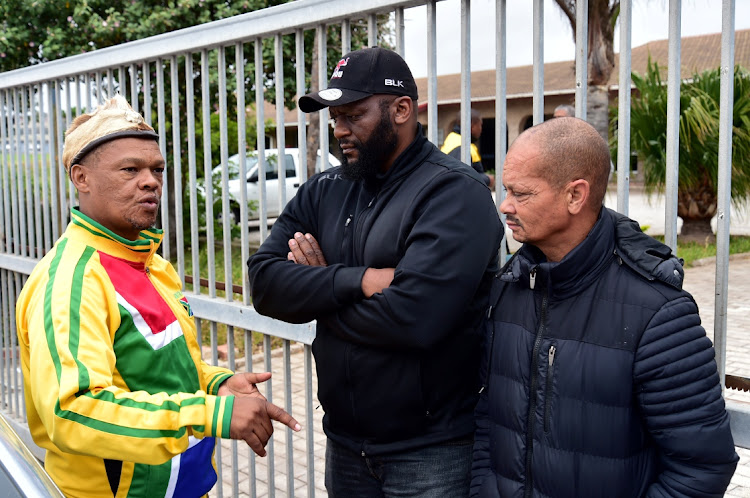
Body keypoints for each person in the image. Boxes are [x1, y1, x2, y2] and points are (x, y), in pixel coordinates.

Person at [248, 46, 502, 497]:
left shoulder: (453, 194)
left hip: (431, 452)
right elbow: (265, 285)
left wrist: (318, 295)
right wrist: (357, 280)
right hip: (345, 446)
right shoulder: (324, 190)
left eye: (354, 115)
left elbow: (414, 320)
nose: (339, 130)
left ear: (402, 109)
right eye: (334, 117)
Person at [15, 95, 300, 498]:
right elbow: (71, 411)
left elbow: (164, 367)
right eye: (130, 169)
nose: (150, 180)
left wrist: (217, 382)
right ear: (81, 178)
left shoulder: (151, 264)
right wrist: (212, 414)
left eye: (156, 169)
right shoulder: (71, 280)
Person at [471, 117, 738, 497]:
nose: (505, 205)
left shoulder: (658, 314)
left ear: (576, 195)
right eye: (505, 190)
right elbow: (489, 426)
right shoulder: (510, 286)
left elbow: (702, 468)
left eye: (522, 193)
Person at [440, 108, 495, 188]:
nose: (481, 129)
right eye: (480, 125)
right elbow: (461, 177)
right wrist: (487, 179)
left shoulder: (455, 140)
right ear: (471, 125)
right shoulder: (460, 147)